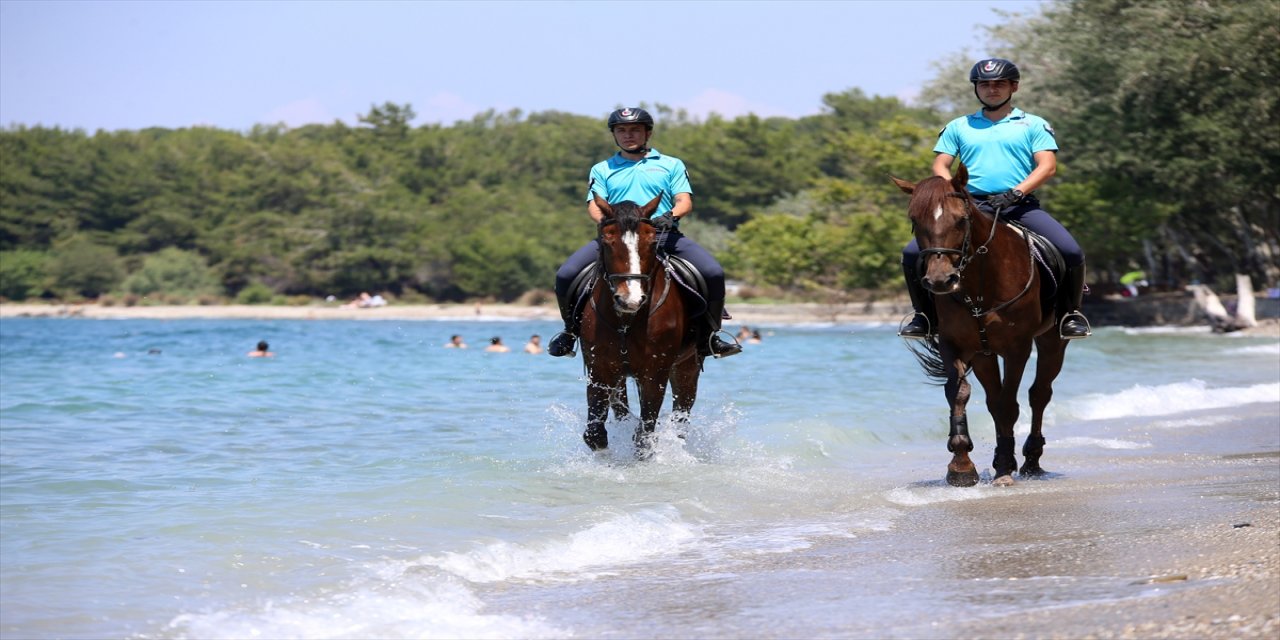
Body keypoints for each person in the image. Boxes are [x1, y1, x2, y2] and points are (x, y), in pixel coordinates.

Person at [899, 58, 1091, 341]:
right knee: (911, 253)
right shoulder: (959, 126)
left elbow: (1047, 166)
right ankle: (924, 316)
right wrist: (949, 187)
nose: (992, 89)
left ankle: (1070, 314)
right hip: (970, 207)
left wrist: (1016, 193)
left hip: (1018, 205)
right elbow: (941, 165)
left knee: (1070, 250)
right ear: (976, 89)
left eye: (999, 84)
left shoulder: (1033, 124)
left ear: (1013, 86)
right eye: (985, 84)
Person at [547, 107, 742, 359]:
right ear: (614, 135)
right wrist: (610, 224)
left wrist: (669, 217)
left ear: (647, 133)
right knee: (566, 274)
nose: (628, 135)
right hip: (617, 239)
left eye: (635, 130)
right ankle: (569, 333)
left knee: (713, 272)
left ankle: (711, 336)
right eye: (622, 130)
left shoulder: (671, 165)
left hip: (662, 236)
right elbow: (594, 205)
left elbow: (684, 201)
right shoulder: (601, 169)